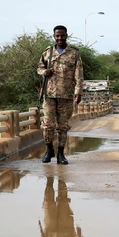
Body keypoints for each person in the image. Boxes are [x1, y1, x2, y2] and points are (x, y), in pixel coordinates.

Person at [37, 25, 84, 164]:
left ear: (66, 36)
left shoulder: (74, 54)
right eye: (57, 36)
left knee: (62, 127)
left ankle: (61, 154)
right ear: (54, 37)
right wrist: (43, 72)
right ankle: (49, 149)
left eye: (62, 35)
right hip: (49, 94)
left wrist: (78, 92)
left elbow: (79, 75)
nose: (60, 38)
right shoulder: (48, 52)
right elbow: (39, 67)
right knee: (47, 125)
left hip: (66, 95)